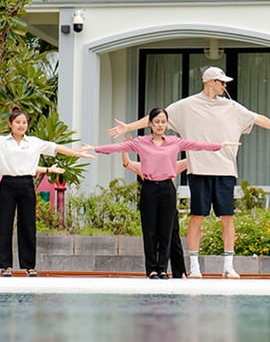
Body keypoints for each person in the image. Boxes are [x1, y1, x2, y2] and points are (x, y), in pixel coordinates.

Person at [107, 65, 270, 279]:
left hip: (226, 171)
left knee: (227, 218)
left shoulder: (232, 107)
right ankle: (195, 267)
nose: (225, 85)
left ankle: (228, 265)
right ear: (210, 82)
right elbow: (155, 118)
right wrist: (127, 128)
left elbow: (258, 119)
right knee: (197, 217)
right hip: (199, 170)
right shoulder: (186, 106)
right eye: (222, 82)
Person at [0, 107, 92, 277]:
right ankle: (5, 266)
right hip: (7, 184)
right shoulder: (1, 142)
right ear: (10, 124)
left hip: (27, 184)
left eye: (24, 122)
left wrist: (77, 153)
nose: (21, 125)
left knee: (28, 225)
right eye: (18, 122)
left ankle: (29, 266)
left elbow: (56, 148)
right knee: (4, 225)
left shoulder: (34, 142)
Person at [84, 107, 235, 278]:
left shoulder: (174, 142)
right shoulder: (141, 142)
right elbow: (117, 147)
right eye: (157, 121)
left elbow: (197, 145)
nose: (160, 125)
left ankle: (163, 268)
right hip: (149, 188)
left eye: (163, 121)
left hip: (167, 189)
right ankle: (152, 269)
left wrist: (219, 145)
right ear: (150, 124)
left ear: (167, 123)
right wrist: (93, 148)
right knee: (150, 231)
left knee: (166, 230)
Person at [124, 153, 191, 278]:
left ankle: (178, 271)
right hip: (152, 199)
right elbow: (127, 163)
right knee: (152, 234)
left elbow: (190, 159)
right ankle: (154, 269)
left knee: (172, 236)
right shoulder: (144, 166)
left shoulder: (172, 165)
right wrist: (125, 148)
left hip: (167, 202)